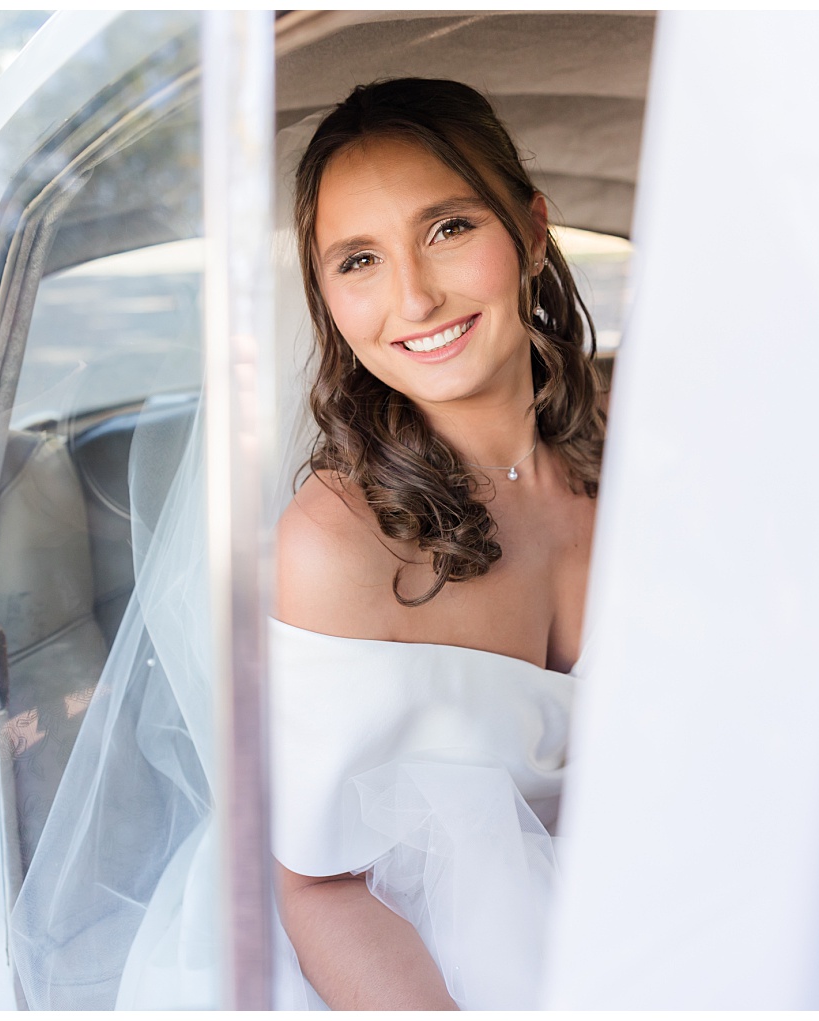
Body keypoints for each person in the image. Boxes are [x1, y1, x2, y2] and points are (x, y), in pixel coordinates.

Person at [268, 78, 606, 1009]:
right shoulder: (337, 546)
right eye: (358, 260)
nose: (412, 297)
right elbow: (318, 883)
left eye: (449, 229)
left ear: (532, 231)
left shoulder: (632, 458)